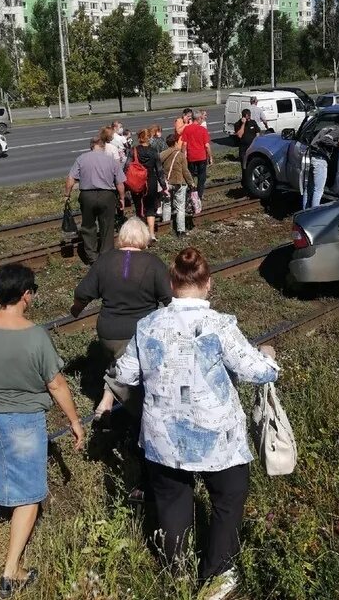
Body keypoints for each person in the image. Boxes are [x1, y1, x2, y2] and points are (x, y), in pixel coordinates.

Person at [114, 248, 278, 597]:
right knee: (228, 497)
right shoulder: (220, 325)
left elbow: (124, 375)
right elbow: (257, 372)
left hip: (163, 438)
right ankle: (217, 576)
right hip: (217, 436)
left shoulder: (148, 325)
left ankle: (178, 572)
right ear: (208, 284)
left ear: (172, 283)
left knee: (172, 500)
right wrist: (270, 358)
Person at [0, 264, 84, 599]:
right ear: (26, 295)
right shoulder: (35, 335)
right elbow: (57, 384)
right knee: (32, 494)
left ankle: (7, 518)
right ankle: (11, 571)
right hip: (24, 420)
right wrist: (75, 421)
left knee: (4, 471)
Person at [71, 217, 171, 420]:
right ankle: (139, 417)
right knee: (139, 377)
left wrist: (76, 309)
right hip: (140, 333)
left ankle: (108, 396)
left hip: (108, 333)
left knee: (118, 360)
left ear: (122, 237)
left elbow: (82, 293)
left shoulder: (105, 260)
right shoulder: (153, 264)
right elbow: (169, 299)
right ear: (144, 238)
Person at [65, 136, 126, 264]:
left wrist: (67, 195)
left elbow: (70, 179)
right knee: (107, 226)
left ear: (91, 146)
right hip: (107, 196)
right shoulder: (111, 160)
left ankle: (92, 257)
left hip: (87, 196)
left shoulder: (81, 158)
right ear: (103, 146)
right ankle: (106, 255)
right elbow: (120, 183)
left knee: (88, 226)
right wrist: (121, 198)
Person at [126, 128, 167, 242]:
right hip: (151, 181)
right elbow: (159, 170)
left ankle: (141, 234)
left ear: (139, 138)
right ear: (149, 137)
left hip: (136, 182)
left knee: (139, 207)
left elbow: (126, 167)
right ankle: (152, 234)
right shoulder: (154, 152)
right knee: (150, 208)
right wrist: (163, 186)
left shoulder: (133, 150)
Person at [300, 121, 339, 210]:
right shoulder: (337, 130)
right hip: (320, 160)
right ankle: (314, 215)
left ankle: (305, 212)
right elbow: (325, 140)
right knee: (318, 190)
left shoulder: (327, 127)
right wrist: (337, 145)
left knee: (309, 188)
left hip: (313, 157)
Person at [160, 133, 195, 237]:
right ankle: (180, 231)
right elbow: (185, 171)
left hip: (166, 183)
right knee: (180, 207)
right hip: (179, 182)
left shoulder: (162, 154)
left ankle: (165, 228)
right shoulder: (180, 155)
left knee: (166, 204)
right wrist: (191, 182)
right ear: (175, 143)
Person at [181, 110, 212, 200]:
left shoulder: (187, 129)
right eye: (201, 118)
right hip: (201, 156)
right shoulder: (203, 130)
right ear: (198, 119)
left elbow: (184, 144)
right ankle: (199, 194)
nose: (202, 120)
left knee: (190, 176)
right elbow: (207, 146)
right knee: (202, 177)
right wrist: (210, 156)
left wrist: (183, 156)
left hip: (191, 157)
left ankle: (191, 192)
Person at [234, 108, 261, 178]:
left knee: (253, 165)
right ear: (243, 116)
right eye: (248, 116)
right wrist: (243, 124)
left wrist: (257, 143)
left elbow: (257, 133)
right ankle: (245, 180)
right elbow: (239, 135)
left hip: (252, 147)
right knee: (244, 166)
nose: (249, 118)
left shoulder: (253, 122)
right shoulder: (237, 124)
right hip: (243, 149)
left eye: (250, 116)